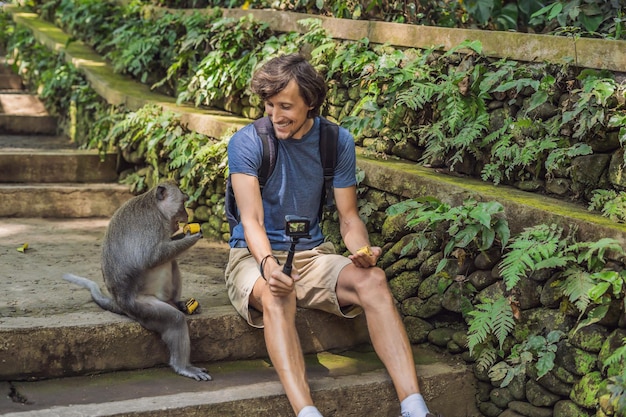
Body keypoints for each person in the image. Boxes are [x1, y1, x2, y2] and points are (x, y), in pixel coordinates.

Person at [225, 53, 438, 417]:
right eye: (270, 105)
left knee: (373, 280)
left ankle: (414, 406)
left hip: (313, 254)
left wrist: (362, 252)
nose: (276, 115)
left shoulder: (335, 141)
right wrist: (268, 267)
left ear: (311, 102)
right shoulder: (246, 143)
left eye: (286, 106)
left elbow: (349, 217)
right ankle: (307, 411)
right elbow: (251, 221)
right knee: (278, 298)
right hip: (251, 255)